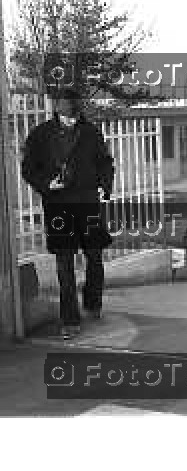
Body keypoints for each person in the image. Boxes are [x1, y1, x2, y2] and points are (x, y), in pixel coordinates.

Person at [21, 90, 115, 339]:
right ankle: (70, 319)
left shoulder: (92, 131)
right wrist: (46, 184)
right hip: (58, 205)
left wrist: (106, 186)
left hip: (88, 203)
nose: (72, 118)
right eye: (67, 113)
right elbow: (28, 168)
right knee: (64, 263)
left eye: (75, 113)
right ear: (57, 108)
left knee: (94, 257)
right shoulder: (40, 135)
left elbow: (105, 161)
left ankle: (93, 303)